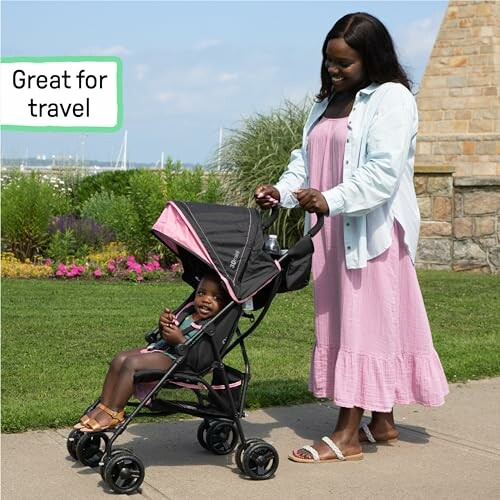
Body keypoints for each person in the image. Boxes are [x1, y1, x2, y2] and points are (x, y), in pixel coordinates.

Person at [255, 12, 448, 463]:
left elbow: (383, 173)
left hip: (371, 234)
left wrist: (330, 200)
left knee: (363, 327)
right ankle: (381, 420)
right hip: (331, 236)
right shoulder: (325, 104)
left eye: (344, 63)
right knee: (349, 324)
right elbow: (303, 162)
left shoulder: (393, 100)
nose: (333, 71)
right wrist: (281, 192)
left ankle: (347, 435)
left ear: (372, 59)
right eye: (329, 62)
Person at [74, 271, 228, 432]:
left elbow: (200, 356)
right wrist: (164, 325)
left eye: (216, 298)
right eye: (201, 293)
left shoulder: (214, 325)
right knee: (120, 358)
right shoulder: (189, 312)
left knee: (132, 363)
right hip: (164, 350)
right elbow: (167, 333)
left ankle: (114, 412)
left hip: (183, 361)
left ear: (223, 304)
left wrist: (180, 340)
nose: (206, 300)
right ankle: (104, 406)